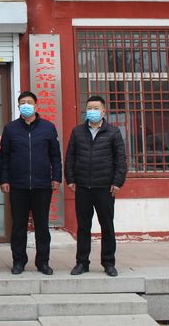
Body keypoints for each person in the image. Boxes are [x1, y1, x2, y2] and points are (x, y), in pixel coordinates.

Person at [0, 91, 62, 276]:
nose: (26, 105)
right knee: (18, 227)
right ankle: (19, 261)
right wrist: (4, 179)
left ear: (36, 105)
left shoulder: (48, 128)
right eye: (22, 102)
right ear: (18, 106)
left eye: (29, 102)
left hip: (42, 185)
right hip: (18, 185)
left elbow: (55, 156)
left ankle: (43, 262)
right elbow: (4, 157)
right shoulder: (10, 129)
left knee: (42, 226)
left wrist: (56, 178)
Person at [65, 95, 127, 277]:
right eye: (89, 108)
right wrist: (70, 179)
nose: (92, 111)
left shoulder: (113, 132)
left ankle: (108, 263)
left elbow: (121, 160)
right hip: (83, 187)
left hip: (104, 187)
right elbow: (70, 158)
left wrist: (117, 182)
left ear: (103, 111)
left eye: (96, 108)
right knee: (83, 227)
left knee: (107, 226)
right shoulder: (77, 132)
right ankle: (82, 262)